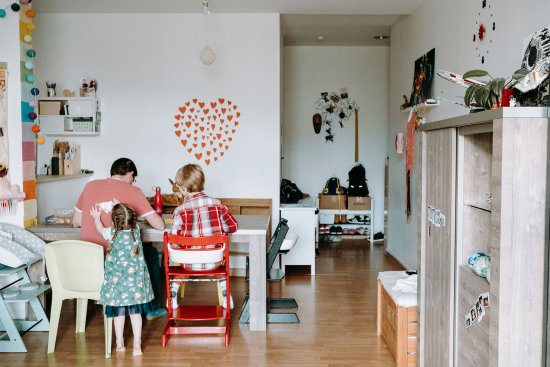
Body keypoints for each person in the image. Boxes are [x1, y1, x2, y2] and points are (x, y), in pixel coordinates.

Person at [72, 157, 167, 320]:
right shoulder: (133, 191)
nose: (132, 181)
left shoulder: (90, 185)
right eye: (133, 178)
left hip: (89, 262)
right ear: (130, 174)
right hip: (116, 267)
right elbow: (159, 225)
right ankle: (152, 308)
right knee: (150, 253)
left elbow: (76, 221)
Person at [169, 163, 238, 309]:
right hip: (214, 261)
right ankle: (226, 295)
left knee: (182, 265)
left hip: (187, 263)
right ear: (202, 183)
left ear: (183, 189)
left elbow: (173, 240)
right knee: (220, 268)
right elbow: (233, 226)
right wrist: (217, 229)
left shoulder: (179, 211)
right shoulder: (217, 204)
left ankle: (173, 293)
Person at [91, 203, 153, 356]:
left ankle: (120, 343)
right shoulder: (136, 231)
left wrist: (96, 217)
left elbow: (99, 228)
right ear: (133, 221)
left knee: (118, 314)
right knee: (135, 314)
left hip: (117, 284)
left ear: (113, 221)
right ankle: (137, 345)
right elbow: (125, 216)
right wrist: (119, 205)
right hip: (135, 285)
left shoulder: (110, 232)